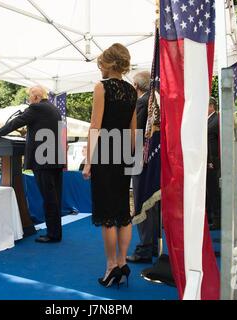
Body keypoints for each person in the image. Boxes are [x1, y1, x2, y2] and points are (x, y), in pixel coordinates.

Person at [82, 43, 138, 288]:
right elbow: (133, 130)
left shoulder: (101, 88)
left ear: (108, 64)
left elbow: (95, 126)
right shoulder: (132, 91)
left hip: (105, 154)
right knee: (122, 213)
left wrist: (88, 161)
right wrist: (131, 156)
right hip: (124, 153)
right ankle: (123, 262)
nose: (99, 68)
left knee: (107, 214)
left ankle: (111, 266)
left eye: (101, 64)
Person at [0, 86, 65, 243]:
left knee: (48, 197)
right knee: (55, 196)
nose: (28, 100)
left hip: (42, 160)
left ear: (36, 97)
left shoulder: (36, 107)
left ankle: (53, 235)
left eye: (29, 97)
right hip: (55, 159)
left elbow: (17, 122)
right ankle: (56, 231)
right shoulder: (54, 109)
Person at [127, 71, 161, 264]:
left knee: (143, 202)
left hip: (142, 159)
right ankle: (154, 245)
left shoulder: (143, 102)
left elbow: (136, 132)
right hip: (155, 158)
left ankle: (145, 248)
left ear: (136, 86)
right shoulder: (156, 100)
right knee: (154, 205)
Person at [207, 97, 221, 230]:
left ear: (211, 106)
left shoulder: (216, 120)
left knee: (213, 191)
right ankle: (210, 217)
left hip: (212, 162)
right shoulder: (209, 120)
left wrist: (212, 161)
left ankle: (217, 219)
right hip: (206, 161)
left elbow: (214, 144)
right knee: (208, 191)